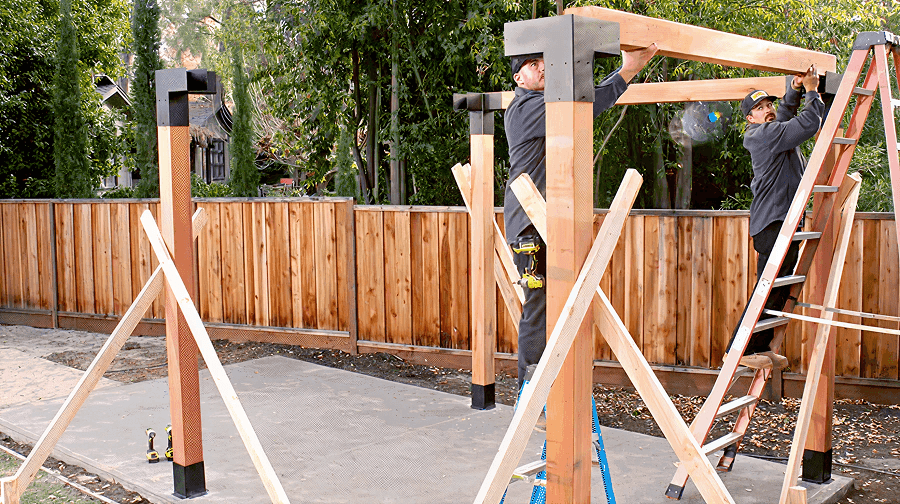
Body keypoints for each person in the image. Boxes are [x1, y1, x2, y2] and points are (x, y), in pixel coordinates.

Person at [504, 45, 658, 391]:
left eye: (545, 61)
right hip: (531, 226)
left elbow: (580, 101)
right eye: (532, 64)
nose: (541, 67)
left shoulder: (548, 106)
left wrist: (623, 72)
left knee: (559, 305)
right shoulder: (524, 109)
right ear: (519, 77)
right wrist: (625, 73)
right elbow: (583, 106)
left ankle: (552, 387)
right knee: (541, 305)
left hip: (550, 223)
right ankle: (530, 391)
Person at [726, 65, 824, 367]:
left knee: (779, 288)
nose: (768, 110)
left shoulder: (771, 130)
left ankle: (760, 346)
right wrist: (811, 90)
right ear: (750, 119)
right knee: (767, 288)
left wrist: (793, 90)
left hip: (785, 222)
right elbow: (809, 123)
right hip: (772, 224)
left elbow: (783, 116)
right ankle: (739, 350)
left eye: (769, 104)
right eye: (760, 108)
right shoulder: (763, 136)